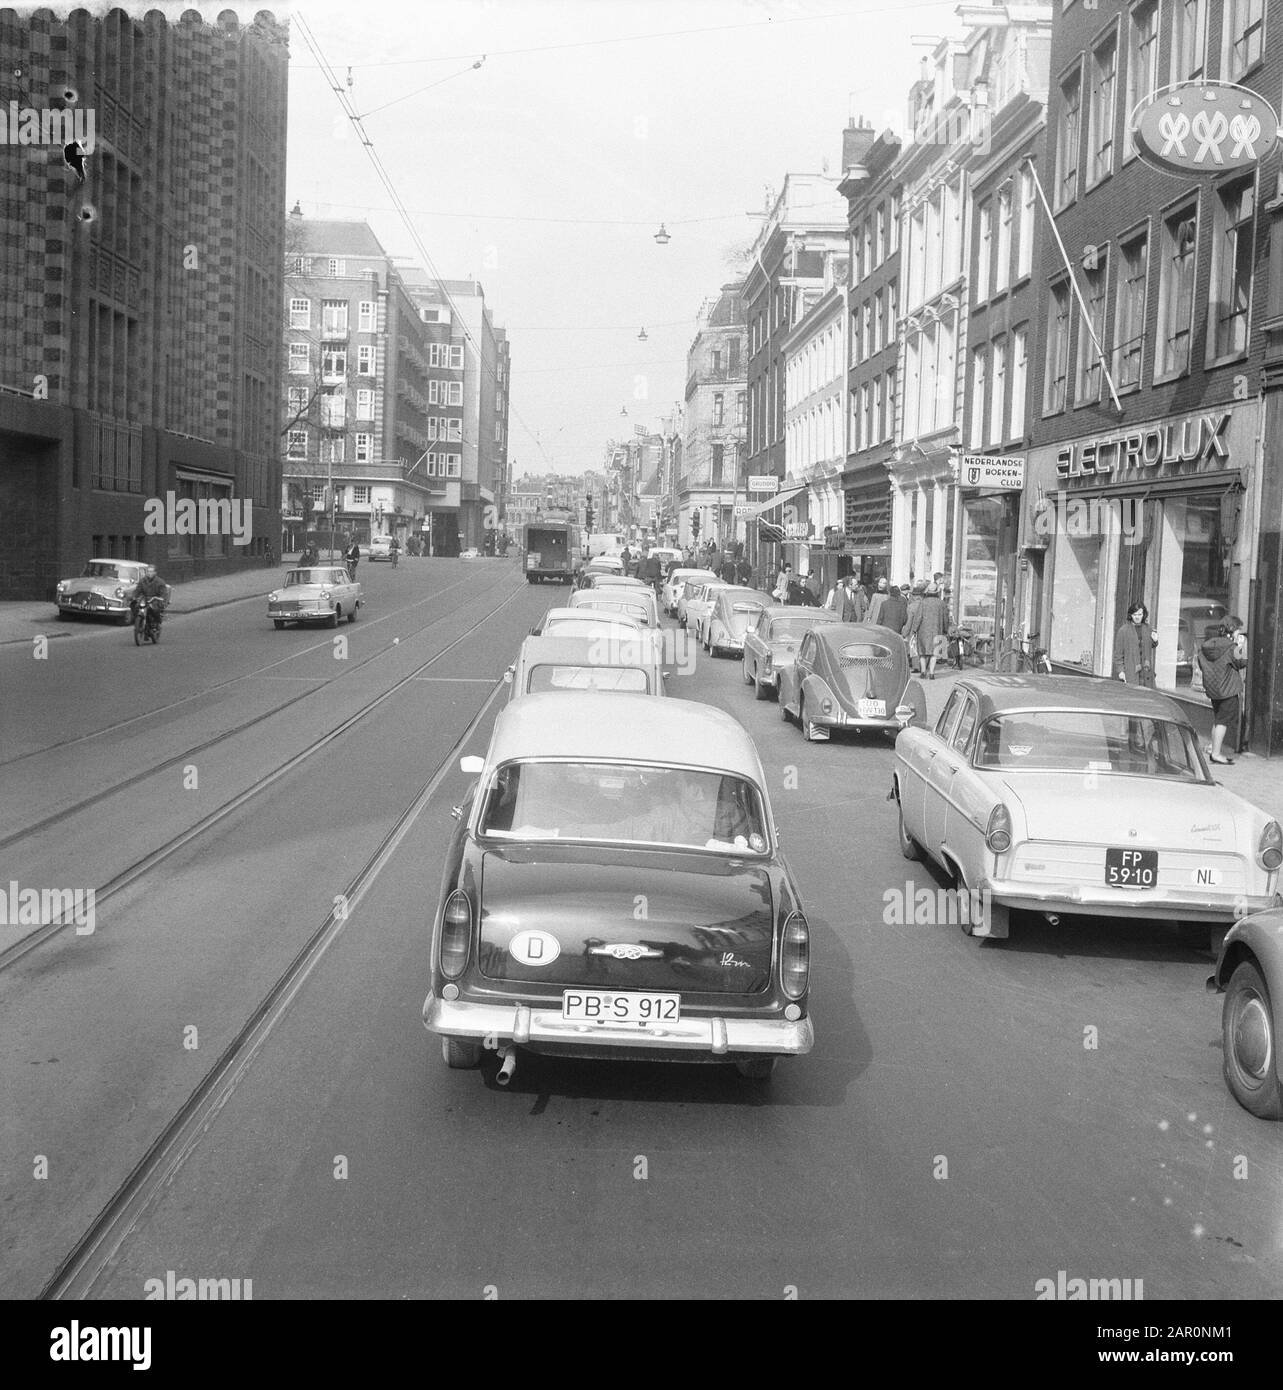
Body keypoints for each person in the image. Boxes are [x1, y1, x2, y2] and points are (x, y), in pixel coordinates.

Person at [1199, 616, 1248, 764]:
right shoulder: (1231, 647)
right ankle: (1216, 754)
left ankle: (1213, 748)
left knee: (1218, 719)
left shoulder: (1207, 646)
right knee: (1222, 722)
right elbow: (1242, 663)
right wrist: (1241, 647)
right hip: (1228, 690)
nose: (1239, 632)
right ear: (1232, 630)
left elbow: (1202, 665)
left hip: (1214, 690)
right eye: (1238, 629)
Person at [905, 582, 947, 679]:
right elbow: (945, 618)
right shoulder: (941, 603)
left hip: (923, 631)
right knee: (935, 653)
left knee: (922, 652)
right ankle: (931, 673)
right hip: (937, 630)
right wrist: (945, 629)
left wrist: (914, 629)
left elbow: (918, 617)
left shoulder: (923, 603)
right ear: (937, 592)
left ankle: (923, 671)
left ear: (927, 591)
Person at [1113, 602, 1158, 688]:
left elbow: (1150, 646)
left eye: (1140, 614)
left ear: (1143, 614)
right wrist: (1121, 671)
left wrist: (1155, 641)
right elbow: (1118, 655)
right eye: (1135, 614)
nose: (1137, 617)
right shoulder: (1123, 630)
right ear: (1130, 615)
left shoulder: (1148, 628)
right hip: (1131, 671)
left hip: (1146, 672)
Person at [130, 564, 169, 633]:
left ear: (155, 573)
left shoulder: (160, 582)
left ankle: (155, 624)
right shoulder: (142, 581)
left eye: (151, 571)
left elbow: (164, 593)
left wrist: (162, 598)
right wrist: (134, 596)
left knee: (154, 609)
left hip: (155, 599)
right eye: (148, 571)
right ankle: (137, 621)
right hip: (145, 599)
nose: (149, 573)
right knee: (134, 605)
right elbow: (138, 590)